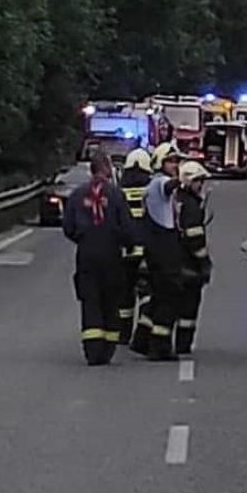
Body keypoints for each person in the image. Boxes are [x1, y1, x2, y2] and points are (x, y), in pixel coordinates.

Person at [62, 150, 134, 365]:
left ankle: (92, 350)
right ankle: (107, 349)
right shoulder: (116, 194)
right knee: (111, 302)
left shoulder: (77, 195)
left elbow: (68, 227)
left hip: (86, 255)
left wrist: (84, 239)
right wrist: (128, 246)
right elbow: (128, 227)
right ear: (106, 168)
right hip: (111, 255)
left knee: (90, 301)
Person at [138, 141, 184, 360]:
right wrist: (183, 179)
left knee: (158, 297)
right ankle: (159, 346)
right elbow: (169, 186)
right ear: (159, 163)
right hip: (164, 247)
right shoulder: (159, 183)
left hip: (157, 245)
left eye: (177, 161)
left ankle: (142, 339)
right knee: (170, 297)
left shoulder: (152, 184)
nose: (175, 165)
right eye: (171, 161)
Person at [174, 160, 212, 354]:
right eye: (198, 181)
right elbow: (194, 238)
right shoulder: (190, 205)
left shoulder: (178, 200)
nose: (201, 186)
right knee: (188, 308)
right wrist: (205, 263)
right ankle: (183, 344)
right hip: (189, 266)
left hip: (175, 263)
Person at [118, 147, 152, 348]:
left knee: (124, 295)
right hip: (146, 252)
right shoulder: (151, 191)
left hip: (125, 253)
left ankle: (123, 334)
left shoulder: (119, 192)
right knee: (147, 293)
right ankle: (143, 331)